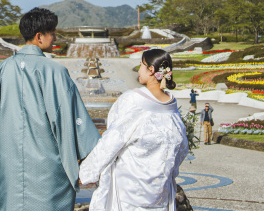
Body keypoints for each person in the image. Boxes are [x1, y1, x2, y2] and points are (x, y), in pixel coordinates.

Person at [0, 8, 100, 211]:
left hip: (11, 168)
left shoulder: (3, 69)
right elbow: (72, 120)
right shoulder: (55, 71)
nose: (54, 38)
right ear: (39, 36)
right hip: (49, 169)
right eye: (52, 33)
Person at [79, 48, 189, 211]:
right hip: (160, 188)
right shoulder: (171, 107)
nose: (139, 70)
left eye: (141, 66)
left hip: (129, 187)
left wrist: (88, 171)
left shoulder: (133, 100)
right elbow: (182, 147)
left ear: (151, 70)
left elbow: (112, 140)